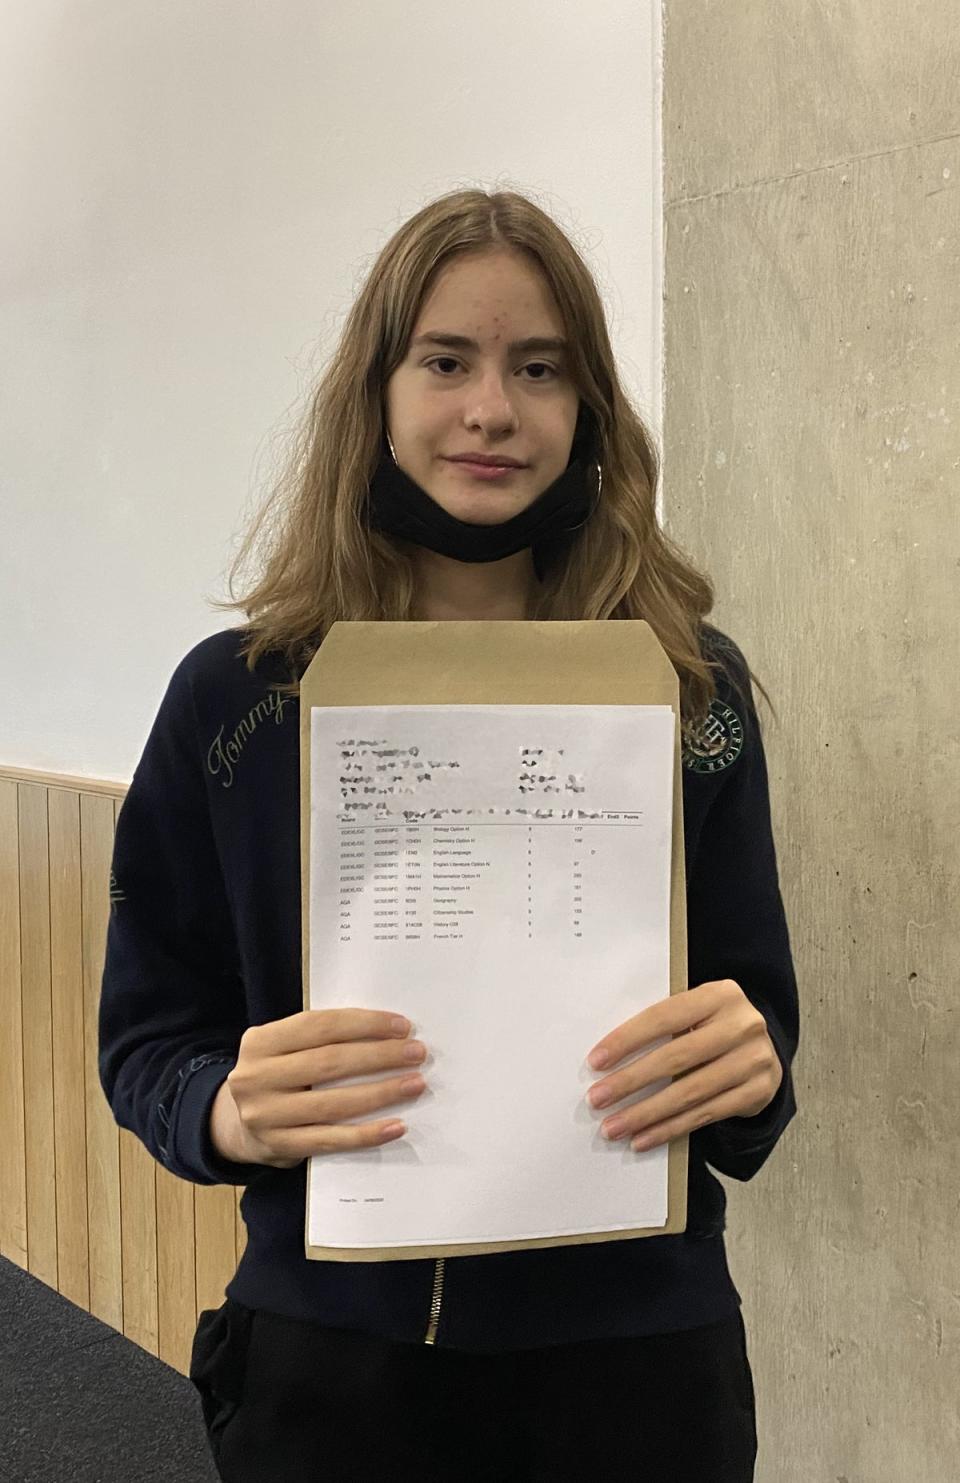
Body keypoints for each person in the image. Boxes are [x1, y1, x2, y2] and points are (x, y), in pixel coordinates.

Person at [98, 188, 799, 1483]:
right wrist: (228, 1111)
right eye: (447, 361)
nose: (492, 410)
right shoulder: (240, 696)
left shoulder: (686, 687)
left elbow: (758, 1018)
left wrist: (750, 1071)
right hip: (334, 1363)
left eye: (540, 369)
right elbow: (146, 1040)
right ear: (378, 389)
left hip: (641, 1359)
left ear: (586, 405)